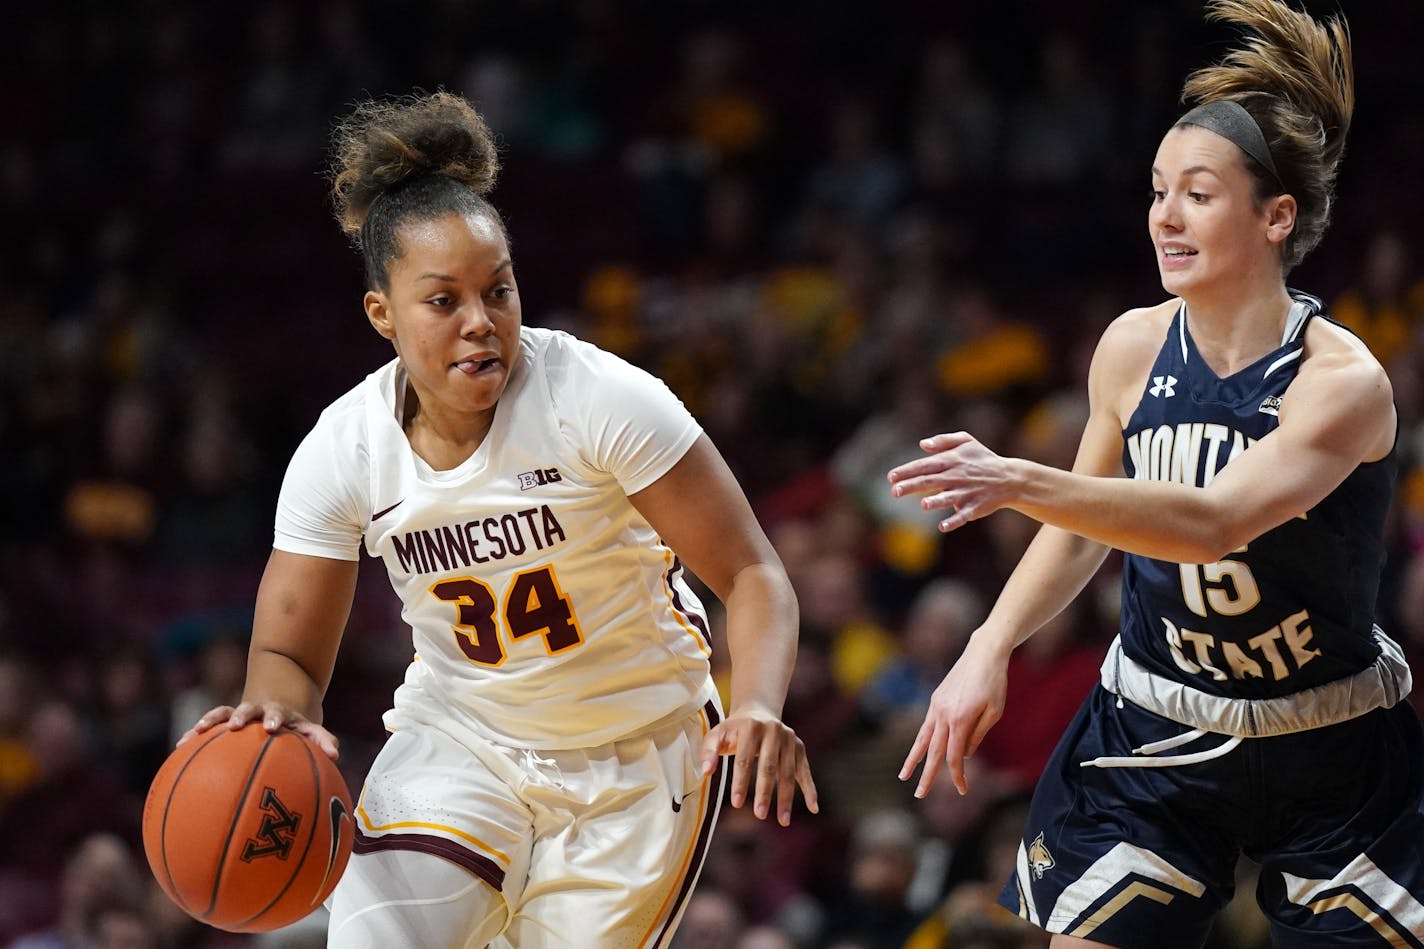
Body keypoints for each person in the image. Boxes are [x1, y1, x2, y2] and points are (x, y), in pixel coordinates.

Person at [181, 90, 817, 948]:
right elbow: (289, 652)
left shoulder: (599, 398)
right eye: (443, 301)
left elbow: (752, 574)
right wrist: (277, 715)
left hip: (635, 755)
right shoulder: (345, 448)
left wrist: (763, 704)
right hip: (462, 738)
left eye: (500, 291)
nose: (481, 322)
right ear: (384, 315)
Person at [887, 2, 1423, 946]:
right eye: (1156, 190)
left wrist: (1018, 478)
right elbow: (1083, 530)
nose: (1165, 217)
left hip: (1328, 747)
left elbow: (1215, 521)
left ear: (1275, 216)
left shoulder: (1342, 382)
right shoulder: (1130, 349)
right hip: (1155, 725)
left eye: (1199, 194)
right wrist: (988, 646)